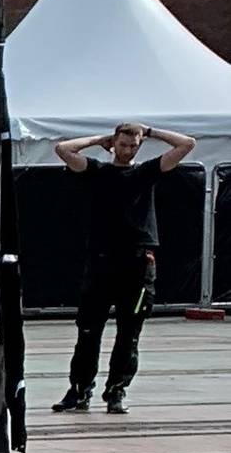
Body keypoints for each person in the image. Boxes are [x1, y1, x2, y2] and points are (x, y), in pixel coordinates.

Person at [53, 122, 198, 415]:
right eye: (123, 144)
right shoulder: (97, 171)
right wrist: (99, 139)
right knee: (89, 330)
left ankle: (116, 390)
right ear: (114, 144)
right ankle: (80, 390)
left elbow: (187, 144)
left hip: (137, 262)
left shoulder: (146, 171)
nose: (128, 149)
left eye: (133, 145)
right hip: (102, 261)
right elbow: (63, 149)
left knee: (129, 332)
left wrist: (151, 131)